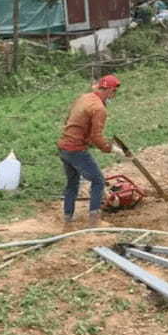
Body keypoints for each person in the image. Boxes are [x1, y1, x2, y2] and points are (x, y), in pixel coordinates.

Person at [58, 74, 122, 225]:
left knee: (72, 183)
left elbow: (68, 120)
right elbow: (96, 136)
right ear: (110, 90)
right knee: (98, 180)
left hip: (64, 147)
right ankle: (94, 219)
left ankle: (67, 217)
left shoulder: (84, 98)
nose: (114, 96)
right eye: (114, 92)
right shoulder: (99, 109)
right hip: (76, 149)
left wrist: (85, 139)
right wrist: (110, 148)